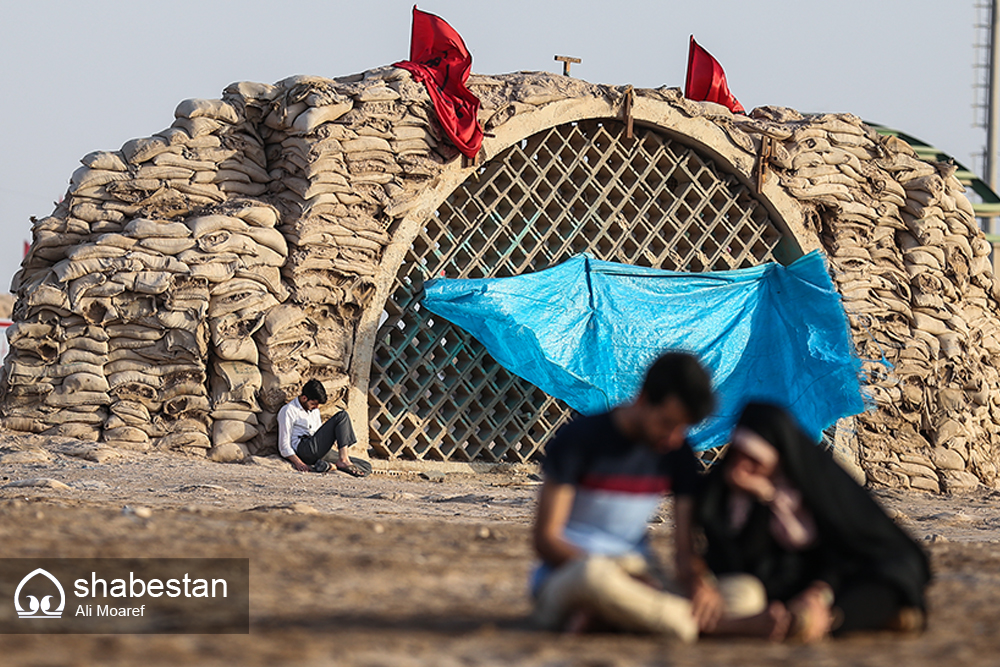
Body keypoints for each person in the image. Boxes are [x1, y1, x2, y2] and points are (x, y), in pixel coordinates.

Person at [695, 402, 930, 642]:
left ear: (776, 459)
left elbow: (843, 550)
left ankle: (832, 621)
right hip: (779, 583)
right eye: (738, 456)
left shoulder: (817, 489)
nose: (742, 467)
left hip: (840, 574)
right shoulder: (727, 497)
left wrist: (820, 591)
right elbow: (730, 555)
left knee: (874, 590)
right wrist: (765, 497)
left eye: (754, 460)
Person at [530, 351, 723, 642]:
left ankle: (611, 617)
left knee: (745, 593)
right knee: (595, 576)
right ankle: (681, 621)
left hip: (642, 575)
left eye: (682, 428)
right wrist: (621, 578)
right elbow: (546, 540)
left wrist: (699, 583)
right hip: (572, 575)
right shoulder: (578, 441)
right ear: (644, 398)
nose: (673, 437)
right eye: (668, 423)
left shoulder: (676, 453)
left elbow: (684, 552)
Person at [277, 379, 367, 477]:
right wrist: (299, 463)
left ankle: (331, 466)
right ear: (304, 398)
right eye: (313, 404)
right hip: (304, 449)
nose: (317, 407)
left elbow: (319, 432)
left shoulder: (315, 410)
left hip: (316, 449)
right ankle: (343, 460)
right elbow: (284, 445)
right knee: (342, 416)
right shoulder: (288, 410)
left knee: (365, 467)